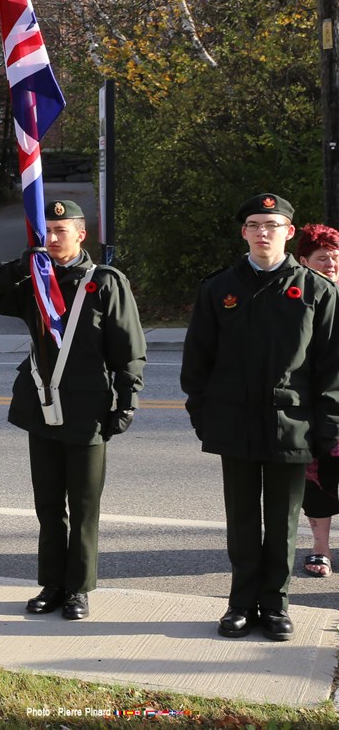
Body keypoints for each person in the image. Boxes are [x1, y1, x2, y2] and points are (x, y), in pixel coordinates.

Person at [0, 200, 145, 621]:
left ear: (81, 234)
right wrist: (19, 265)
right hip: (42, 407)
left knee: (83, 507)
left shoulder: (105, 282)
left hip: (88, 410)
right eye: (44, 231)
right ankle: (51, 584)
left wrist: (127, 401)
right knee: (48, 506)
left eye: (59, 230)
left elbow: (129, 348)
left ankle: (78, 589)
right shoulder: (34, 280)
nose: (50, 238)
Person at [182, 194, 339, 641]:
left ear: (289, 232)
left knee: (284, 521)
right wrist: (203, 416)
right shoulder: (219, 288)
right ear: (244, 232)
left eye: (272, 224)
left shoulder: (316, 290)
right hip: (235, 424)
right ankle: (240, 604)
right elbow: (198, 362)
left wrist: (328, 428)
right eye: (254, 224)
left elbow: (332, 369)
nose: (262, 232)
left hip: (294, 426)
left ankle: (275, 606)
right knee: (243, 519)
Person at [296, 224, 339, 578]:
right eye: (323, 258)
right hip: (314, 403)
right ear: (303, 261)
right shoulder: (297, 298)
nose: (331, 265)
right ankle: (320, 547)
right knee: (318, 475)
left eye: (336, 259)